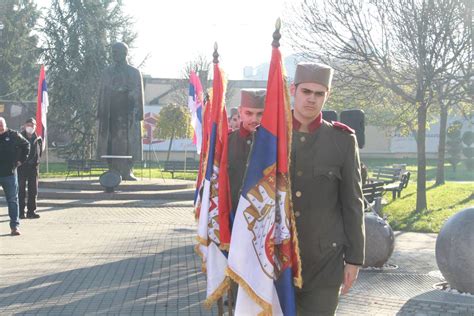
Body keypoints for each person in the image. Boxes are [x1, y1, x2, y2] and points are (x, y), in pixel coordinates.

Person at [290, 63, 365, 315]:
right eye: (306, 91)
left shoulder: (342, 140)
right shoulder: (270, 137)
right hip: (275, 260)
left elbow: (353, 202)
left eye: (319, 94)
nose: (312, 99)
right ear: (294, 90)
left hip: (324, 263)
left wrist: (354, 258)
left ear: (327, 96)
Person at [97, 42, 144, 180]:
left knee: (127, 143)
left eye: (116, 52)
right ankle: (112, 170)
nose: (113, 55)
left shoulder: (134, 72)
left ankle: (127, 171)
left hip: (127, 115)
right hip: (110, 114)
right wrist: (101, 112)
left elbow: (137, 93)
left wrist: (123, 92)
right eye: (112, 52)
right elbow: (102, 92)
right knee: (110, 143)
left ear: (124, 53)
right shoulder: (107, 72)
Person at [227, 89, 266, 213]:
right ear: (240, 111)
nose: (254, 119)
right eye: (249, 113)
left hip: (262, 219)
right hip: (231, 216)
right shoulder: (226, 143)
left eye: (260, 114)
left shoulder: (273, 145)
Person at [0, 117, 30, 236]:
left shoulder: (13, 135)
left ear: (5, 125)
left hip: (9, 174)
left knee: (12, 200)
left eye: (2, 126)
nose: (0, 128)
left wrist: (20, 161)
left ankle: (15, 226)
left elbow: (26, 145)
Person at [18, 118, 43, 219]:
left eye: (32, 125)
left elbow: (39, 152)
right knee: (20, 190)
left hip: (33, 168)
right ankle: (20, 212)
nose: (30, 127)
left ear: (35, 127)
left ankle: (31, 212)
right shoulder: (19, 137)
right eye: (28, 125)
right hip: (22, 167)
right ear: (24, 126)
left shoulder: (38, 139)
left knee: (33, 190)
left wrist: (36, 162)